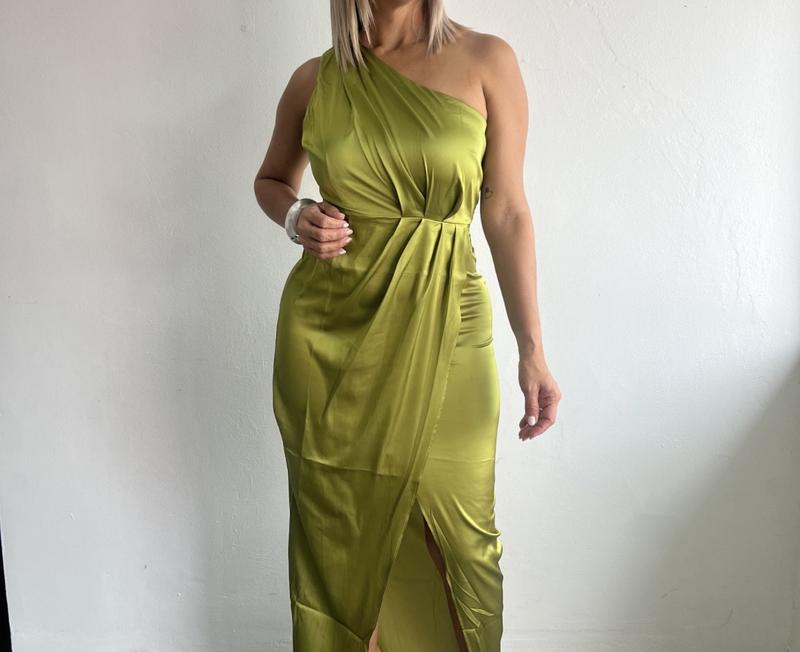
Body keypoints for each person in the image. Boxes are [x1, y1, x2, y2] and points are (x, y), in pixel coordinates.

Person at [253, 0, 561, 649]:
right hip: (329, 336)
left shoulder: (486, 60)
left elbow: (506, 208)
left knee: (466, 545)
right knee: (341, 542)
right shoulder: (315, 80)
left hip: (451, 321)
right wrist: (295, 217)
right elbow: (272, 180)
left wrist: (532, 348)